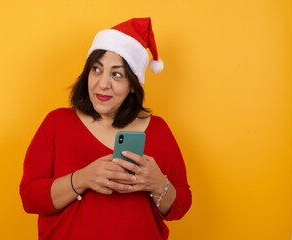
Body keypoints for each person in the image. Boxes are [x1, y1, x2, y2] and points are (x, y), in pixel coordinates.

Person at [20, 17, 192, 240]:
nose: (103, 83)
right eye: (96, 69)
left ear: (133, 85)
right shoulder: (57, 123)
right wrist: (83, 178)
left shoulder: (158, 131)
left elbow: (180, 208)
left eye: (116, 74)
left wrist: (158, 184)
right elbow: (30, 198)